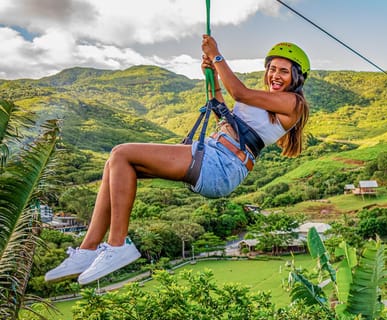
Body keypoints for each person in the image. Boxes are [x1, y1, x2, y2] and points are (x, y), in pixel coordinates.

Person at [44, 35, 311, 285]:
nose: (275, 75)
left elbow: (239, 93)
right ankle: (87, 250)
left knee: (122, 152)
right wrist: (212, 77)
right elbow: (223, 113)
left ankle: (117, 246)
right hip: (215, 155)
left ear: (296, 77)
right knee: (115, 163)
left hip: (222, 164)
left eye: (283, 71)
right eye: (272, 68)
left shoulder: (292, 103)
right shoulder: (266, 101)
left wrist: (217, 56)